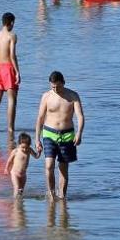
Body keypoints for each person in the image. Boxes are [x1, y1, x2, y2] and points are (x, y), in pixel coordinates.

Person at [35, 71, 85, 201]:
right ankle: (51, 196)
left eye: (58, 86)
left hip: (67, 135)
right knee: (49, 165)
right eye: (53, 87)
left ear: (63, 82)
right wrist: (37, 139)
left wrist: (79, 133)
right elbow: (40, 118)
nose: (55, 89)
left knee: (63, 169)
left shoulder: (73, 96)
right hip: (49, 133)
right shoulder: (46, 96)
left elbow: (80, 116)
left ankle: (62, 197)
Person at [0, 12, 20, 134]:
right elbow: (12, 55)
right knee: (12, 99)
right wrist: (17, 72)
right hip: (8, 69)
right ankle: (10, 128)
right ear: (11, 23)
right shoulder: (12, 36)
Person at [4, 132, 40, 198]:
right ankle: (15, 201)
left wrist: (39, 152)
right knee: (17, 187)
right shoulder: (16, 151)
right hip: (15, 173)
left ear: (29, 145)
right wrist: (6, 169)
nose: (25, 149)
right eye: (23, 147)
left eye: (26, 147)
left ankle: (20, 203)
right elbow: (9, 160)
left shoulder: (29, 150)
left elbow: (36, 156)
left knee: (21, 190)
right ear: (19, 144)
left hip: (23, 174)